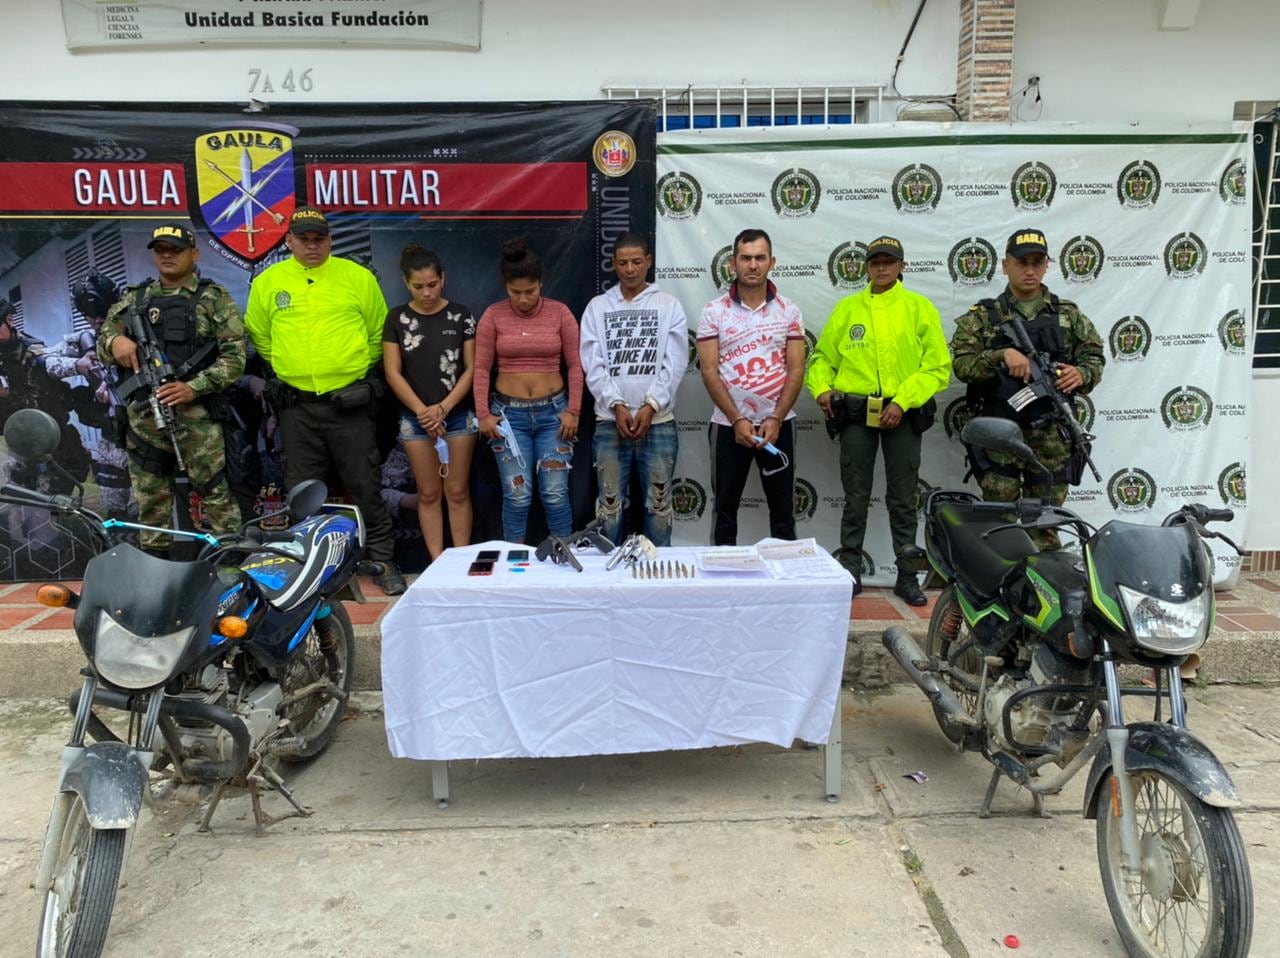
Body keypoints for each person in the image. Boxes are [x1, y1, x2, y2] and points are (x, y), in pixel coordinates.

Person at [244, 206, 405, 594]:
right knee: (301, 491)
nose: (312, 246)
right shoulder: (269, 282)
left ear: (330, 241)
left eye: (319, 239)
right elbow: (260, 335)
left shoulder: (357, 277)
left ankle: (383, 561)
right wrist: (291, 369)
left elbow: (377, 334)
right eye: (304, 239)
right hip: (297, 407)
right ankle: (308, 570)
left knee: (365, 484)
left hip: (349, 404)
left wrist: (351, 371)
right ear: (289, 241)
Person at [807, 236, 951, 603]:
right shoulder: (848, 309)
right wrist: (821, 387)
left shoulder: (918, 308)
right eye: (875, 262)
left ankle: (907, 576)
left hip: (903, 414)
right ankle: (851, 570)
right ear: (867, 267)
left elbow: (937, 368)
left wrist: (902, 401)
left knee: (902, 498)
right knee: (855, 497)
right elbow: (822, 358)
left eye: (889, 261)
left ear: (902, 266)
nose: (882, 268)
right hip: (857, 416)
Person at [950, 228, 1105, 549]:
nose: (1030, 270)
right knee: (999, 525)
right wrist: (1000, 356)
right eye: (1022, 262)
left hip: (1052, 437)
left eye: (1037, 262)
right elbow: (962, 366)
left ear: (1047, 265)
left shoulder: (1068, 315)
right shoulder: (983, 317)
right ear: (1006, 265)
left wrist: (1081, 373)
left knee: (1046, 525)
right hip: (998, 433)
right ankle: (1004, 578)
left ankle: (1045, 576)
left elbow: (1094, 357)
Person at [96, 222, 245, 556]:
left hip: (197, 419)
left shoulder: (213, 298)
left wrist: (193, 387)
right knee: (150, 499)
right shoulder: (135, 298)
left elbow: (235, 358)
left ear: (194, 254)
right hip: (145, 418)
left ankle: (232, 563)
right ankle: (155, 566)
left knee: (216, 495)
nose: (167, 256)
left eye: (175, 250)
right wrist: (115, 341)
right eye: (161, 250)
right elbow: (103, 339)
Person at [696, 228, 806, 545]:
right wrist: (737, 419)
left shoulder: (789, 310)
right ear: (733, 263)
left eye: (760, 258)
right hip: (728, 425)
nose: (753, 265)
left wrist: (776, 417)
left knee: (783, 512)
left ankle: (785, 574)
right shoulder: (714, 311)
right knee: (725, 511)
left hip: (778, 425)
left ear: (772, 262)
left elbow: (797, 369)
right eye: (745, 258)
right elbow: (709, 371)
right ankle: (723, 574)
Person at [579, 232, 687, 546]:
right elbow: (592, 363)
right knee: (609, 507)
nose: (630, 269)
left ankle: (658, 569)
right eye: (623, 263)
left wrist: (651, 405)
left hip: (659, 422)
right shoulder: (598, 307)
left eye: (637, 262)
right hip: (610, 422)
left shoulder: (668, 305)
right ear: (614, 264)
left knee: (659, 506)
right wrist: (617, 404)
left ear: (648, 261)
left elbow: (675, 362)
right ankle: (606, 569)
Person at [473, 238, 583, 543]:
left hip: (554, 415)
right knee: (517, 496)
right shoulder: (493, 315)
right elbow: (481, 368)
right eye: (515, 292)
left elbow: (576, 366)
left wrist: (573, 410)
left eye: (530, 291)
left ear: (541, 283)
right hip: (508, 419)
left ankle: (564, 556)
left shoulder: (560, 313)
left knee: (555, 494)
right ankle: (514, 562)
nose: (523, 299)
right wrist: (483, 414)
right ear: (505, 286)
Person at [382, 244, 478, 560]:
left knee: (457, 491)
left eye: (433, 284)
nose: (427, 292)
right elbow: (392, 372)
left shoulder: (462, 315)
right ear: (406, 283)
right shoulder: (396, 318)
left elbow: (471, 368)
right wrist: (423, 412)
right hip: (416, 418)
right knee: (428, 492)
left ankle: (461, 561)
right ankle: (437, 562)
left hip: (457, 415)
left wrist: (444, 408)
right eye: (418, 286)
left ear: (443, 279)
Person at [41, 272, 135, 520]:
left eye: (101, 313)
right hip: (111, 441)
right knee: (115, 510)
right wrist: (78, 365)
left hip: (144, 439)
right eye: (89, 316)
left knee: (147, 510)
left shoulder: (139, 333)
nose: (96, 320)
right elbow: (44, 360)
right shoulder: (86, 339)